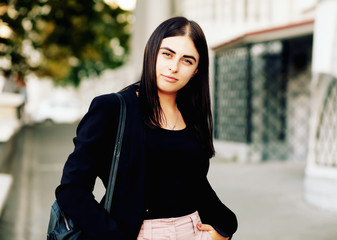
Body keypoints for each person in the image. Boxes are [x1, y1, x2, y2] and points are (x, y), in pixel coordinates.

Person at [55, 16, 238, 240]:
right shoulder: (112, 108)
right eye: (167, 54)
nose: (174, 66)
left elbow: (196, 183)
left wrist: (223, 228)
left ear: (196, 70)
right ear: (151, 52)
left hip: (194, 231)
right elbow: (72, 190)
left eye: (187, 60)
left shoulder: (192, 116)